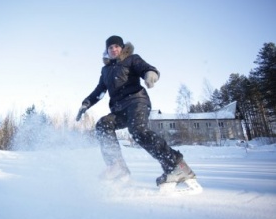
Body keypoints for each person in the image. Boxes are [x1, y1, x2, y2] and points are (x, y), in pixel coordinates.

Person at [76, 35, 196, 187]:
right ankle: (117, 166)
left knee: (138, 130)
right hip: (119, 109)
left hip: (137, 101)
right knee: (103, 124)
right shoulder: (105, 70)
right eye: (110, 47)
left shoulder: (132, 59)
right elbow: (99, 91)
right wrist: (86, 104)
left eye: (116, 46)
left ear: (122, 48)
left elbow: (145, 68)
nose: (114, 49)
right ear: (107, 51)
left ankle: (175, 165)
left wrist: (150, 74)